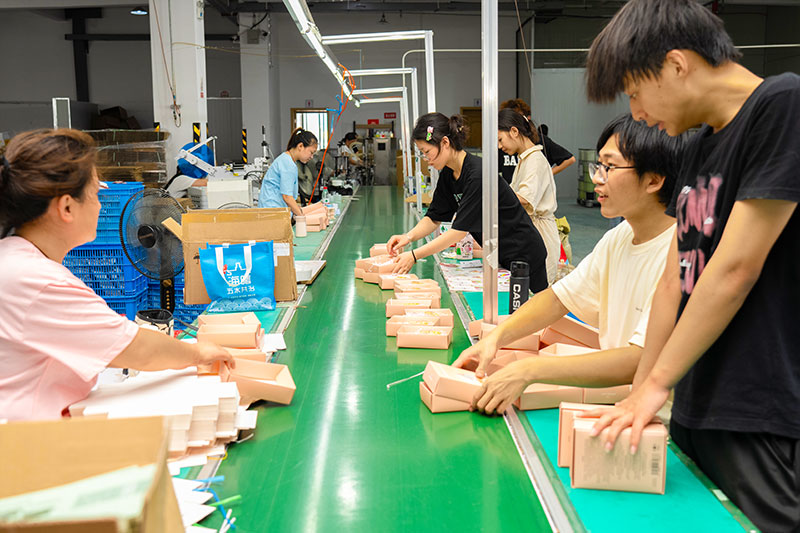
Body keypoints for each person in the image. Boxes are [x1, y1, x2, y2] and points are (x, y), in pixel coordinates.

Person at [583, 1, 800, 530]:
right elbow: (674, 281)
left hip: (757, 410)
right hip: (695, 405)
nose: (636, 113)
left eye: (635, 92)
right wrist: (642, 394)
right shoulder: (700, 146)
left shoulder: (782, 105)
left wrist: (656, 383)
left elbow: (734, 269)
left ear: (677, 65)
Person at [456, 114, 685, 416]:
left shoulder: (681, 254)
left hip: (662, 423)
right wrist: (497, 337)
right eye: (598, 166)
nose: (597, 178)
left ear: (654, 179)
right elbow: (558, 298)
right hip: (623, 410)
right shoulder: (618, 237)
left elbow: (640, 358)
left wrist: (529, 370)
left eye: (610, 167)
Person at [0, 129, 234, 422]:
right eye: (96, 193)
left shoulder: (16, 260)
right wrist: (199, 352)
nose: (100, 204)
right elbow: (136, 349)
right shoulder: (37, 280)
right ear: (67, 207)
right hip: (26, 439)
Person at [387, 113, 548, 292]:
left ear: (445, 143)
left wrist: (414, 255)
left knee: (532, 304)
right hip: (501, 252)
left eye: (427, 152)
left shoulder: (478, 174)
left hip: (524, 251)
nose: (426, 159)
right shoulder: (448, 174)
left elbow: (458, 232)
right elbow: (434, 217)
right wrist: (408, 237)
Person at [498, 108, 560, 284]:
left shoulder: (535, 160)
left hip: (540, 232)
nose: (500, 146)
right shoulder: (524, 160)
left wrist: (493, 195)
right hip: (530, 229)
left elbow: (524, 199)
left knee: (539, 288)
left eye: (500, 140)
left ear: (514, 131)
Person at [498, 99, 575, 184]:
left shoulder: (536, 153)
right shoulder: (510, 150)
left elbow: (569, 159)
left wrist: (546, 174)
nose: (500, 146)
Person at [258, 128, 317, 216]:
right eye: (311, 152)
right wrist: (302, 217)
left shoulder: (287, 160)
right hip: (273, 213)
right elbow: (287, 197)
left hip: (273, 211)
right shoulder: (288, 164)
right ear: (300, 146)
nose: (311, 157)